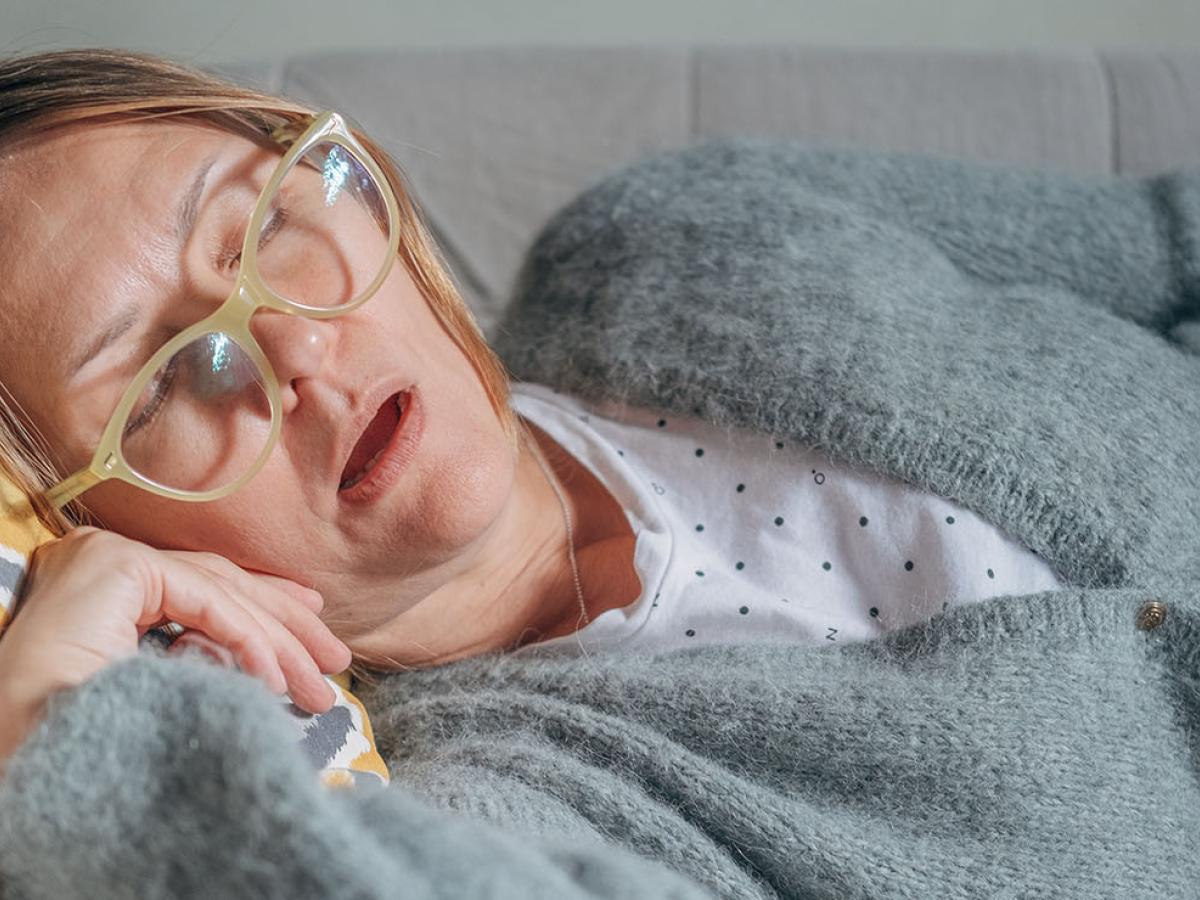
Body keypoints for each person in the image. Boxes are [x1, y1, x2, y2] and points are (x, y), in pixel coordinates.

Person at [0, 47, 1060, 770]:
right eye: (162, 382)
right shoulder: (492, 810)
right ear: (83, 521)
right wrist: (33, 722)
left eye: (259, 227)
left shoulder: (686, 226)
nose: (298, 347)